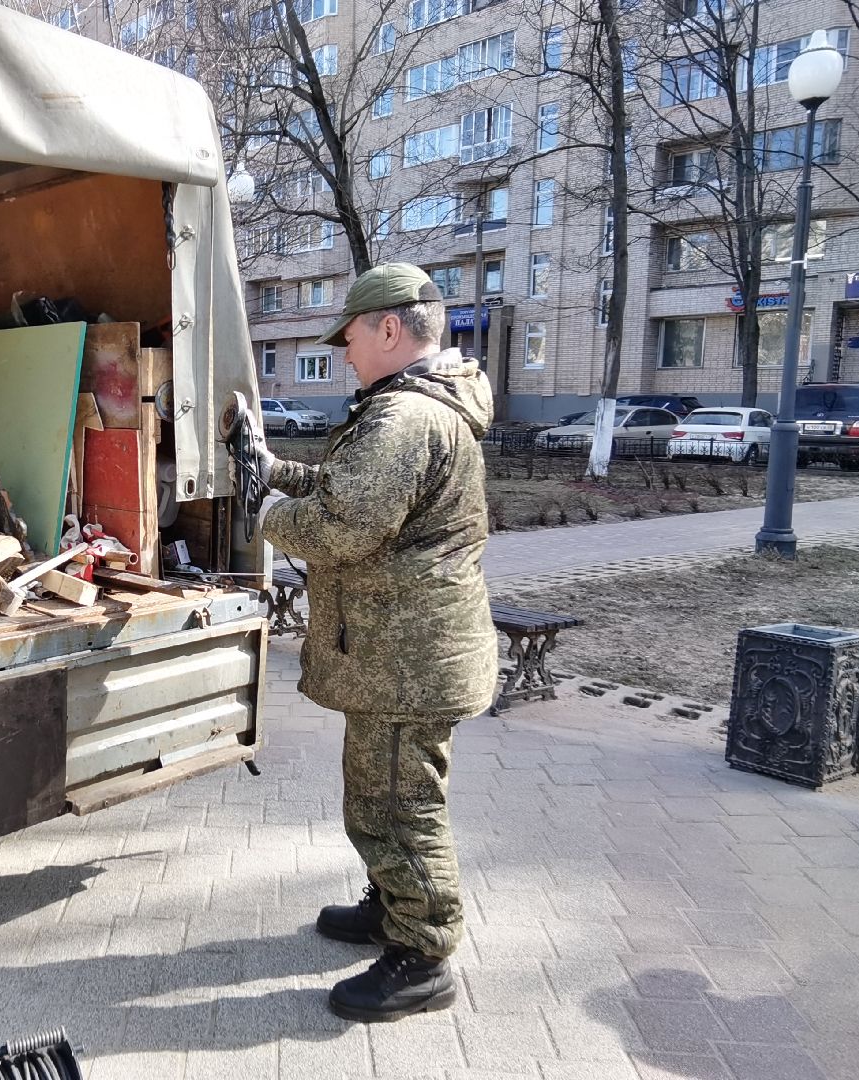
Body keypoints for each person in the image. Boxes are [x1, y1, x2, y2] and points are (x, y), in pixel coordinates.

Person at [233, 264, 499, 1023]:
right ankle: (393, 906)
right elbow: (353, 485)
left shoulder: (406, 418)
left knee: (400, 807)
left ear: (389, 329)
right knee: (379, 797)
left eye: (348, 336)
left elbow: (344, 525)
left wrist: (264, 512)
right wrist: (275, 468)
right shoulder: (410, 409)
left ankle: (423, 955)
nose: (344, 352)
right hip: (401, 654)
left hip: (407, 661)